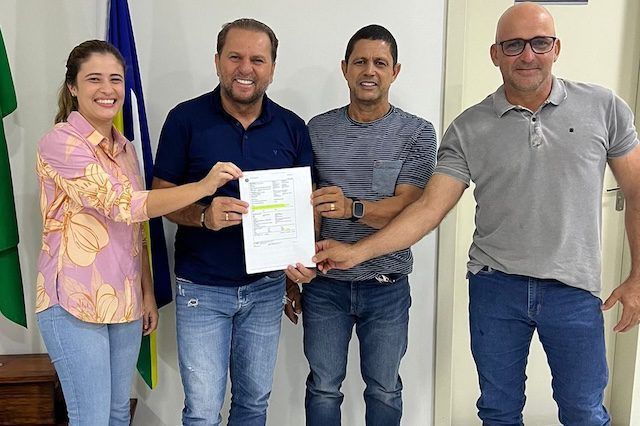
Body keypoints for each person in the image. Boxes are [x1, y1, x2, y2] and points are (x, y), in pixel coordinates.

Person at [313, 3, 640, 425]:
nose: (527, 55)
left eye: (540, 43)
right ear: (495, 53)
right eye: (514, 45)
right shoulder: (468, 128)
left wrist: (637, 276)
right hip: (495, 287)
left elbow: (636, 191)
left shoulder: (603, 107)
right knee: (498, 412)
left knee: (584, 412)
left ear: (556, 48)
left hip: (573, 291)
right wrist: (355, 253)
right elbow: (428, 208)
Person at [35, 40, 240, 426]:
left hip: (124, 300)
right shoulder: (60, 141)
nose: (107, 89)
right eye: (94, 79)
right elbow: (123, 204)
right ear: (73, 87)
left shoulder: (125, 148)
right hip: (74, 302)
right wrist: (203, 187)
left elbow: (136, 229)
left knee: (117, 413)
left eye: (115, 79)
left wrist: (146, 292)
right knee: (91, 418)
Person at [152, 19, 314, 426]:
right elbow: (159, 198)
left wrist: (298, 267)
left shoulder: (293, 127)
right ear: (217, 61)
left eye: (257, 59)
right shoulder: (185, 119)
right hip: (201, 287)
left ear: (272, 67)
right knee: (203, 412)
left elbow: (303, 207)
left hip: (266, 289)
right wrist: (203, 216)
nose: (246, 68)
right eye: (235, 57)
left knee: (253, 405)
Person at [285, 25, 437, 426]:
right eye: (360, 62)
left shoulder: (418, 132)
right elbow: (304, 205)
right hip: (324, 285)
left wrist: (352, 208)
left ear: (395, 71)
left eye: (380, 63)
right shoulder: (316, 129)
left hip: (386, 285)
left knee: (384, 388)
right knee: (323, 387)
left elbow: (411, 207)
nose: (370, 71)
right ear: (345, 69)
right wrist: (293, 270)